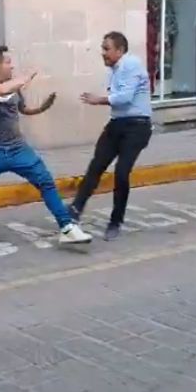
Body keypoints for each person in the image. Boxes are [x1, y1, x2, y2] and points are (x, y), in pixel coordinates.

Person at [0, 47, 93, 248]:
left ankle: (67, 228)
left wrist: (42, 108)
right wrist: (26, 77)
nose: (12, 66)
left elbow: (22, 109)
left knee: (45, 181)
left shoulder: (13, 87)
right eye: (8, 62)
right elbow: (1, 90)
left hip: (18, 148)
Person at [69, 33, 153, 241]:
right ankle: (75, 209)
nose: (103, 53)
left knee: (122, 173)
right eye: (103, 48)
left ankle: (116, 221)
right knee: (96, 166)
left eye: (107, 49)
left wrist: (99, 100)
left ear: (120, 50)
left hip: (137, 126)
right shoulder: (114, 70)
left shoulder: (130, 64)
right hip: (117, 124)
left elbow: (125, 98)